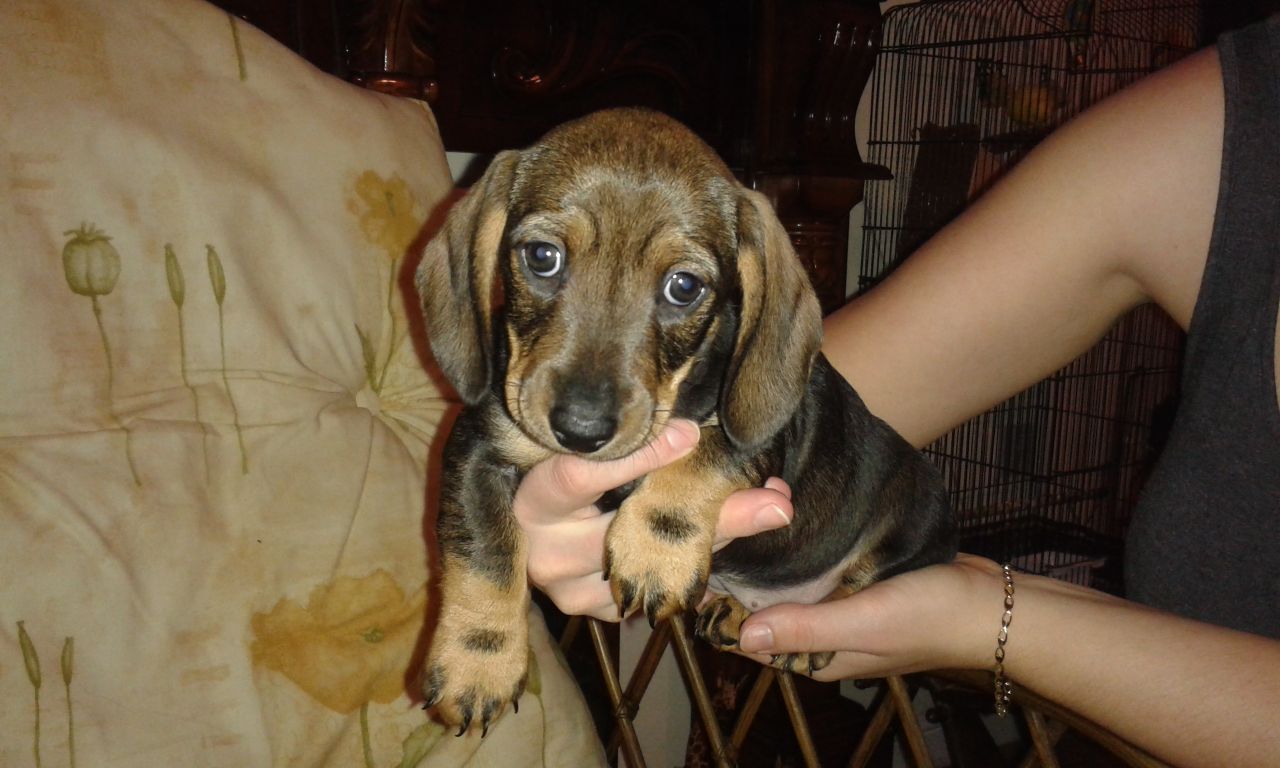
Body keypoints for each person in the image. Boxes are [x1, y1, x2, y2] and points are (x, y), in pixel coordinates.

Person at [513, 16, 1280, 768]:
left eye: (684, 283)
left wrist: (989, 618)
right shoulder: (1229, 120)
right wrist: (606, 475)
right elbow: (797, 398)